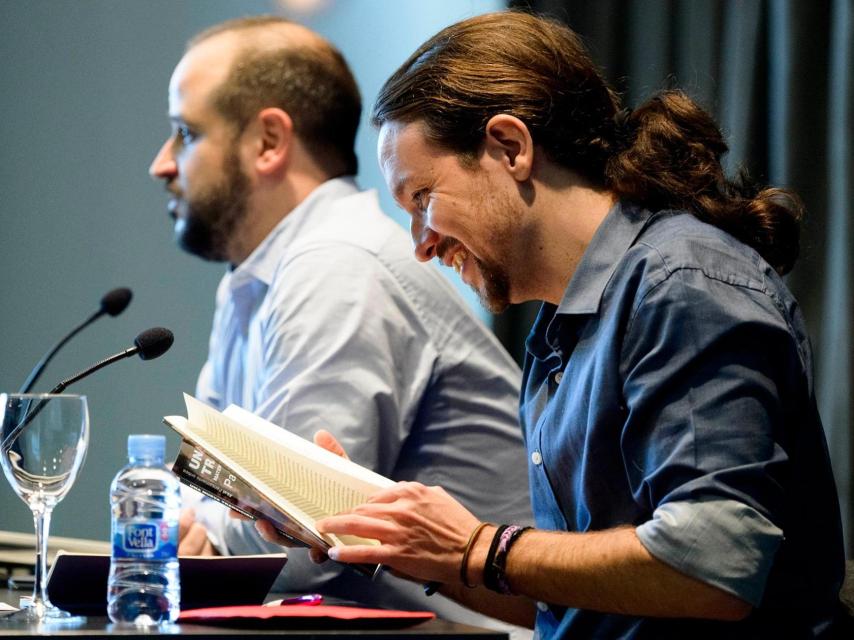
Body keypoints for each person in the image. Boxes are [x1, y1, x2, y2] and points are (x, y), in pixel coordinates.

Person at [282, 10, 846, 639]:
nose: (421, 245)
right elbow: (573, 603)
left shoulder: (681, 282)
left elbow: (714, 561)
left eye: (423, 199)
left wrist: (478, 546)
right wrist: (400, 542)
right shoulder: (559, 332)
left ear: (510, 147)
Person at [147, 15, 532, 627]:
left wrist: (189, 530)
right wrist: (193, 525)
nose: (162, 164)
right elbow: (209, 491)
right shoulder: (257, 277)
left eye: (185, 133)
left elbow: (301, 544)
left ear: (269, 141)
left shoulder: (337, 265)